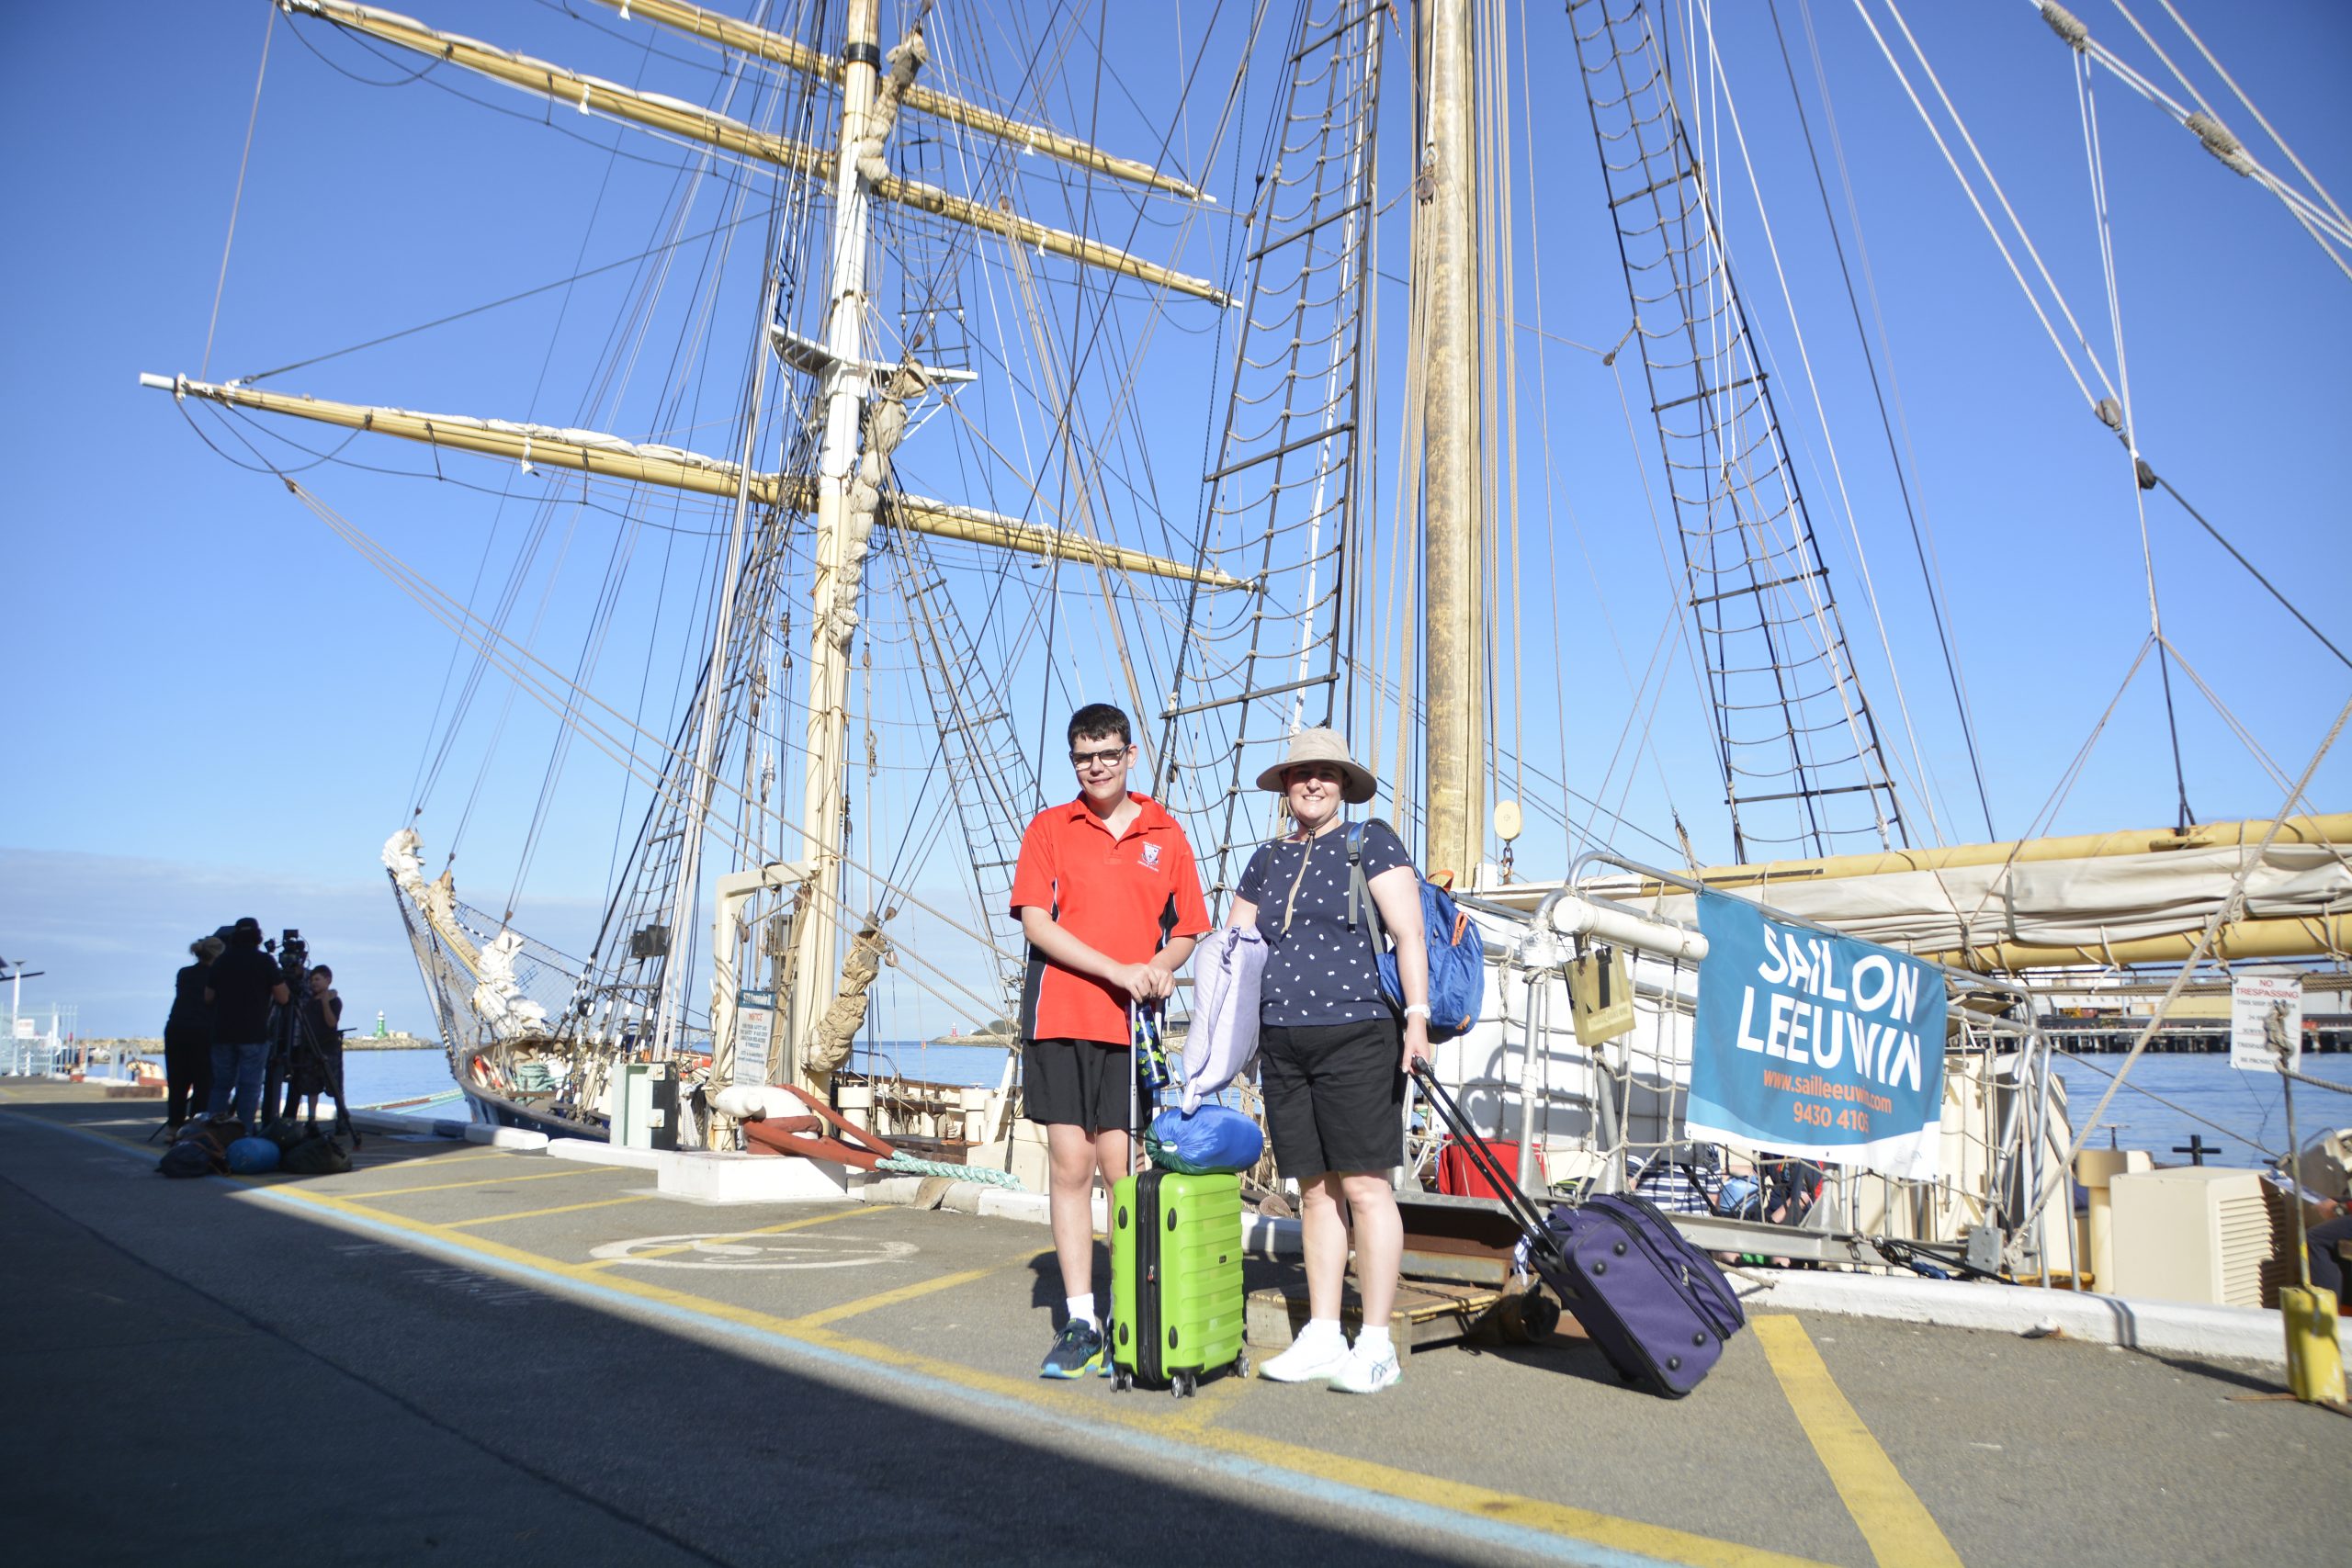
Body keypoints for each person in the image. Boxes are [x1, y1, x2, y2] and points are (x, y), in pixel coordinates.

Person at [1227, 728, 1431, 1395]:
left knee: (1367, 1187)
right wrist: (1231, 1044)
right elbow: (1236, 950)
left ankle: (1374, 1342)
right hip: (1284, 1039)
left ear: (1343, 783)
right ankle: (1321, 1332)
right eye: (1300, 773)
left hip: (1358, 1034)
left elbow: (1408, 933)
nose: (1312, 782)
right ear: (1285, 785)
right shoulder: (1265, 858)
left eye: (1325, 772)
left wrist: (1418, 1023)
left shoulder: (1369, 840)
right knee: (1313, 1191)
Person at [1011, 703, 1208, 1379]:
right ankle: (1079, 1317)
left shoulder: (1165, 832)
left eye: (1107, 754)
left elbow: (1186, 928)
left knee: (1123, 1168)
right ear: (1074, 760)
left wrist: (1162, 966)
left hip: (1129, 1027)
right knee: (1071, 1164)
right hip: (1061, 1016)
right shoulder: (1050, 828)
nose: (1096, 766)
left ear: (1130, 755)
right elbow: (1037, 922)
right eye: (1083, 756)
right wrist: (1115, 968)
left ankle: (1130, 1309)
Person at [204, 918, 289, 1127]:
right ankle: (245, 1132)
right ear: (257, 937)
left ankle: (213, 1131)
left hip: (223, 1033)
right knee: (249, 1086)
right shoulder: (264, 962)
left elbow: (208, 997)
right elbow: (283, 998)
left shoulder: (222, 961)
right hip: (253, 1033)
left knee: (221, 1086)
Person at [162, 936, 222, 1133]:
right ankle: (195, 1128)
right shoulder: (217, 975)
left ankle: (173, 1127)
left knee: (178, 1082)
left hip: (176, 1027)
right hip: (202, 1029)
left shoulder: (184, 973)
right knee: (203, 1082)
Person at [288, 964, 345, 1126]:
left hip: (329, 1048)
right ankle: (311, 1120)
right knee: (311, 1088)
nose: (314, 983)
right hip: (310, 1049)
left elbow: (331, 1022)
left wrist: (325, 1002)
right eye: (312, 979)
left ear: (328, 980)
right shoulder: (308, 1001)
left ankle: (341, 1119)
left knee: (335, 1086)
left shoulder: (335, 1001)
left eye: (318, 979)